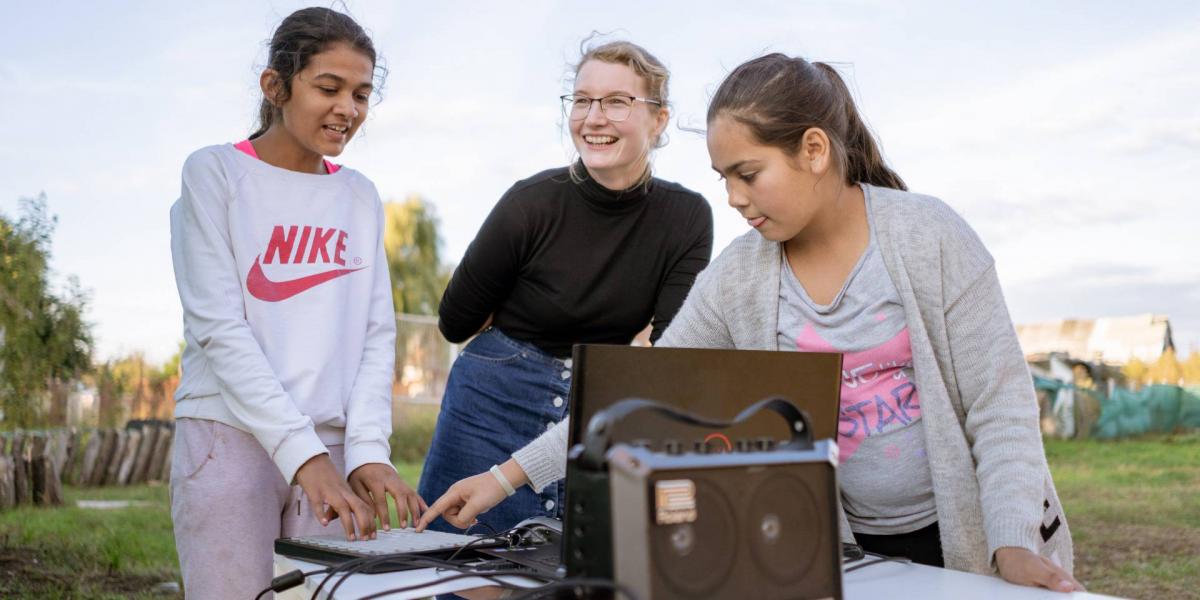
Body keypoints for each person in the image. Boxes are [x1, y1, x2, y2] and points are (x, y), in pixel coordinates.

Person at [417, 53, 1083, 593]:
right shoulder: (741, 275)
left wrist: (1012, 546)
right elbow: (638, 391)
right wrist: (506, 477)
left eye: (748, 174)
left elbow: (1000, 410)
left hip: (970, 540)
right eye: (721, 177)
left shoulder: (929, 237)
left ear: (814, 150)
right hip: (847, 551)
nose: (732, 198)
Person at [168, 8, 425, 598]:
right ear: (276, 86)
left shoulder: (358, 195)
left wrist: (365, 452)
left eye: (361, 94)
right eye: (328, 88)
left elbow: (375, 333)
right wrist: (302, 457)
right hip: (230, 436)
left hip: (334, 447)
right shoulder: (214, 173)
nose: (348, 109)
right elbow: (219, 329)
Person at [417, 40, 713, 534]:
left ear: (658, 120)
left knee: (582, 573)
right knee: (462, 569)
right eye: (582, 100)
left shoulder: (686, 218)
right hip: (491, 402)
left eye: (617, 102)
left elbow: (668, 353)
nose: (593, 117)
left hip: (599, 405)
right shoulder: (529, 203)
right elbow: (455, 322)